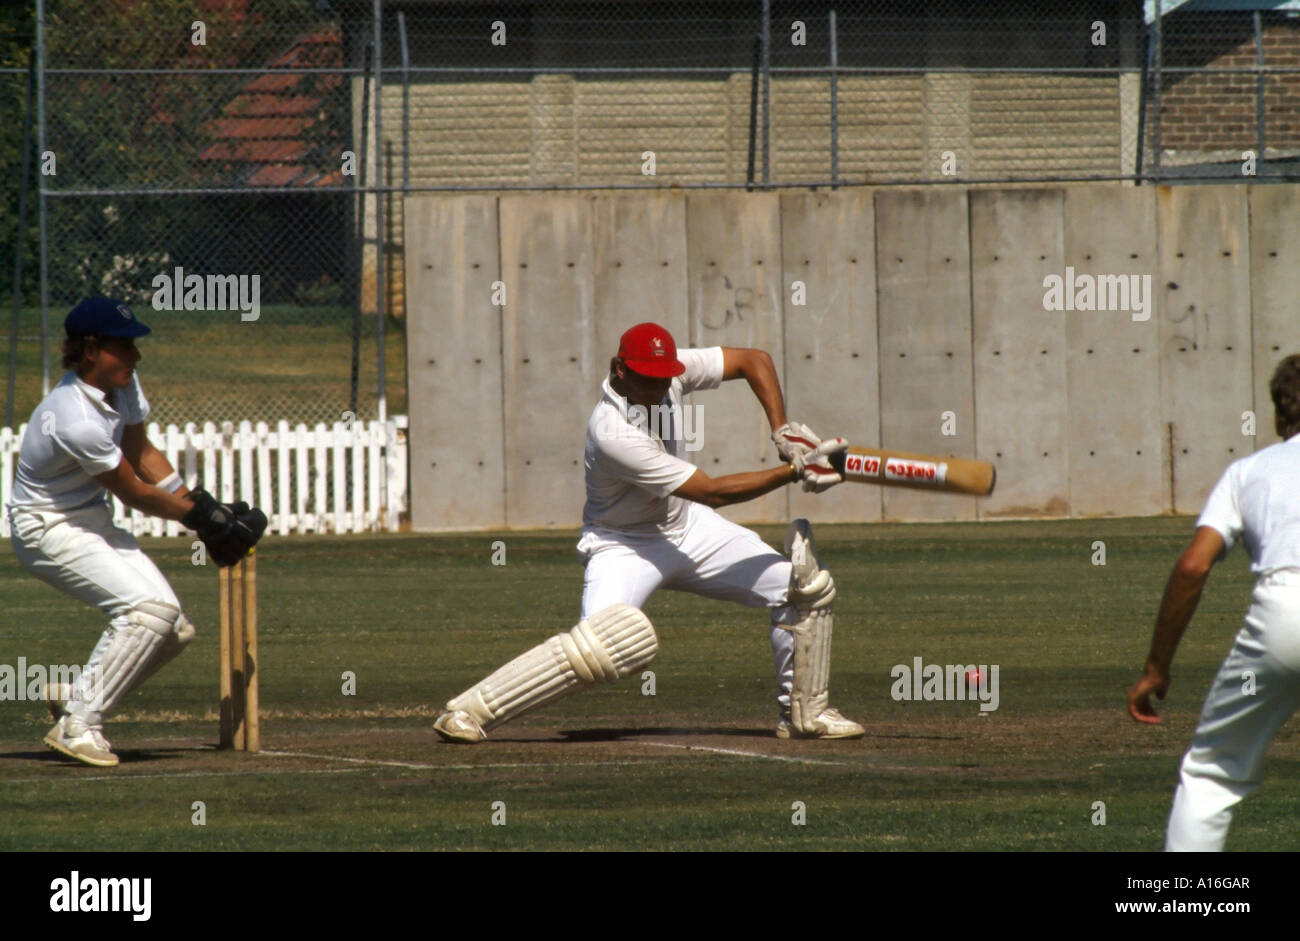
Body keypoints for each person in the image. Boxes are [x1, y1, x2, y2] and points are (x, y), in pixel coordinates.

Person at [434, 321, 864, 743]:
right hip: (625, 545)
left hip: (688, 524)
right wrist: (796, 469)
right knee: (606, 645)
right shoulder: (611, 431)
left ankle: (804, 713)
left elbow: (754, 360)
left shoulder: (666, 373)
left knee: (801, 587)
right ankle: (469, 711)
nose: (660, 389)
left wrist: (782, 429)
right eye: (648, 380)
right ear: (621, 370)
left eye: (665, 379)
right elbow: (713, 492)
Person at [6, 297, 266, 767]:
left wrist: (206, 507)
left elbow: (143, 451)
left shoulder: (121, 385)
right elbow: (134, 492)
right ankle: (78, 724)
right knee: (149, 612)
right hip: (47, 529)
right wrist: (202, 521)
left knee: (174, 631)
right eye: (123, 347)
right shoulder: (73, 417)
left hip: (91, 520)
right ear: (90, 350)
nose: (135, 356)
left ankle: (78, 696)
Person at [1128, 353, 1300, 850]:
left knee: (1211, 775)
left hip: (1283, 618)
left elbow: (1192, 567)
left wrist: (1156, 668)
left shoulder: (1248, 472)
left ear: (1277, 415)